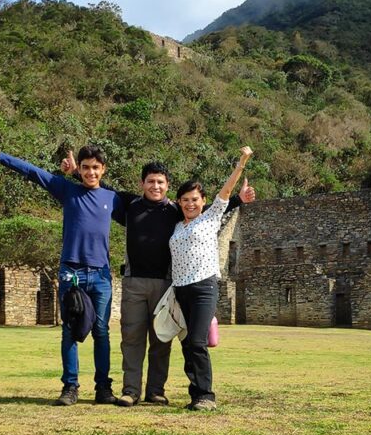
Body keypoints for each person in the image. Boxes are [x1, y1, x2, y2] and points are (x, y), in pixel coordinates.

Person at [61, 152, 255, 407]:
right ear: (142, 184)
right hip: (133, 283)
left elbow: (204, 211)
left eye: (160, 182)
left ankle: (156, 390)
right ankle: (130, 391)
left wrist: (238, 200)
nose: (155, 186)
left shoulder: (176, 211)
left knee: (161, 339)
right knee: (131, 339)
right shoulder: (129, 205)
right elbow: (101, 187)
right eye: (151, 182)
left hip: (165, 284)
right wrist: (77, 172)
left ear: (167, 186)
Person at [0, 136, 124, 407]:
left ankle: (103, 388)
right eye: (86, 167)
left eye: (95, 168)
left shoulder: (111, 198)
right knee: (69, 331)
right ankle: (70, 387)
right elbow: (34, 173)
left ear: (103, 170)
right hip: (71, 272)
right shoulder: (67, 191)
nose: (90, 172)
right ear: (82, 169)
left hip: (100, 274)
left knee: (101, 331)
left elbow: (144, 207)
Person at [170, 146, 253, 411]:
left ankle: (206, 395)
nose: (190, 203)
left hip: (204, 286)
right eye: (185, 199)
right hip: (180, 289)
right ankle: (195, 394)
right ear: (179, 202)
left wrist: (241, 163)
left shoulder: (210, 218)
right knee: (186, 343)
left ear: (203, 201)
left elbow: (227, 192)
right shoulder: (176, 225)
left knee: (197, 341)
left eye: (195, 199)